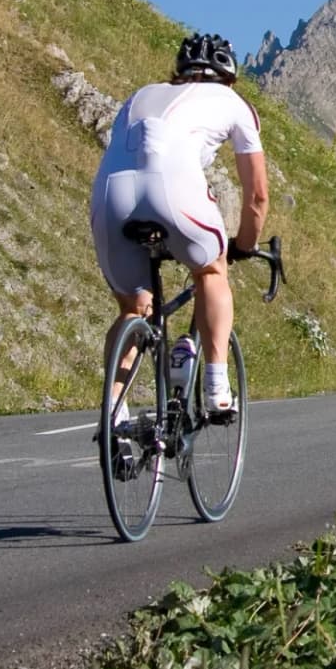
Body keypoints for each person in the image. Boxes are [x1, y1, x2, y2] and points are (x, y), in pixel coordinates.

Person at [90, 32, 268, 413]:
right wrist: (245, 245)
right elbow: (256, 196)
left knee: (133, 307)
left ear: (178, 73)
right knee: (210, 271)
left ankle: (113, 414)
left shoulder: (140, 94)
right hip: (174, 190)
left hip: (110, 193)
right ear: (230, 78)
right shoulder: (235, 104)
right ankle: (217, 386)